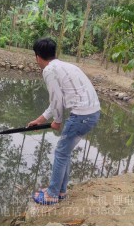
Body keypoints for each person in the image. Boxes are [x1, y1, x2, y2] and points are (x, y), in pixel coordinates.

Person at [28, 37, 100, 205]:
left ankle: (52, 195)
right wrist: (40, 120)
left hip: (82, 116)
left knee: (61, 152)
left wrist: (58, 121)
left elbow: (56, 99)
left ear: (38, 57)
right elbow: (56, 101)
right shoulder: (66, 66)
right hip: (92, 113)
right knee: (64, 152)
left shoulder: (48, 70)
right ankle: (60, 191)